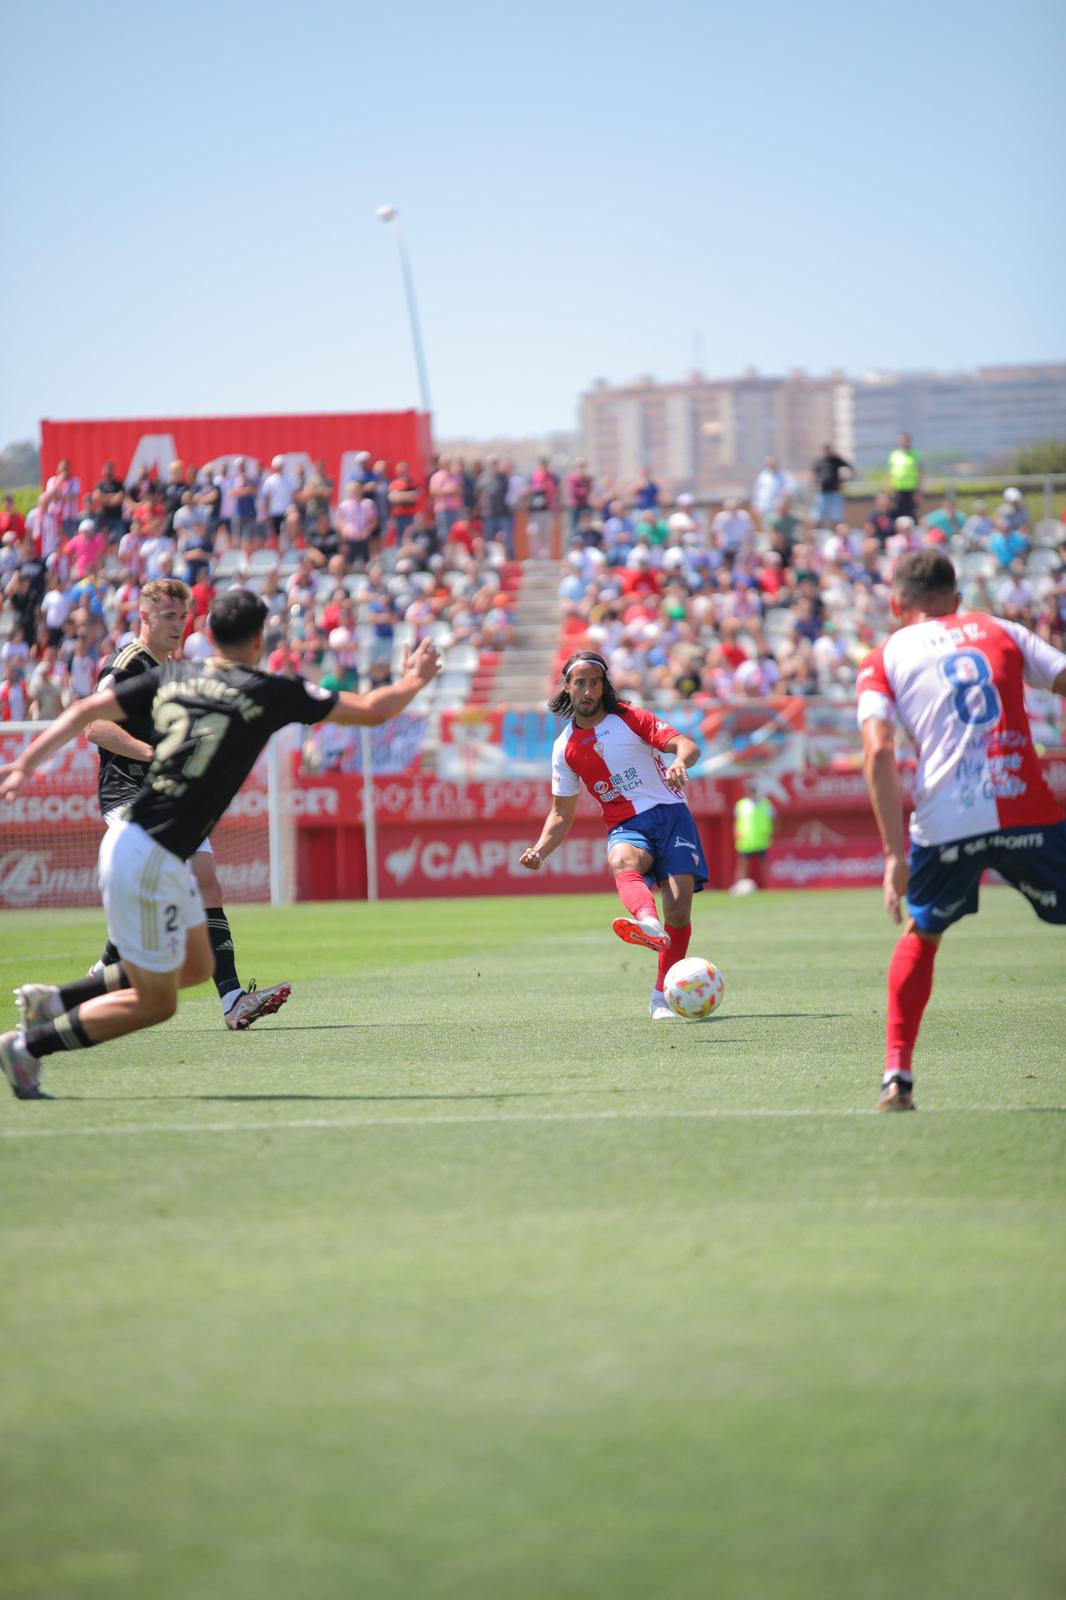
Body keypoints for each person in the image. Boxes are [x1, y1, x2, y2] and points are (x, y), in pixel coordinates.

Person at [0, 590, 440, 1099]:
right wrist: (415, 679)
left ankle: (54, 1001)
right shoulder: (270, 690)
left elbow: (86, 711)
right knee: (157, 1002)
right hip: (147, 853)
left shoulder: (174, 676)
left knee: (195, 965)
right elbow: (370, 710)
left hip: (145, 846)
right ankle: (29, 1047)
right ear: (259, 639)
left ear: (206, 633)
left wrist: (28, 765)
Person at [857, 549, 1066, 1112]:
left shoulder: (883, 657)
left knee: (922, 934)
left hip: (945, 820)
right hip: (1027, 806)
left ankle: (896, 1078)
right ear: (956, 597)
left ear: (897, 603)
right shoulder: (1003, 629)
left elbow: (878, 750)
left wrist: (892, 855)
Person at [85, 577, 289, 1031]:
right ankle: (95, 986)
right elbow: (95, 726)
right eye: (168, 616)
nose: (178, 625)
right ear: (145, 617)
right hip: (128, 796)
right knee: (182, 890)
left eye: (183, 617)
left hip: (166, 797)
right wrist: (153, 754)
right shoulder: (127, 665)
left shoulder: (172, 665)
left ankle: (232, 998)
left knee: (204, 884)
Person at [519, 651, 708, 1020]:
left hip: (671, 817)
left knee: (680, 909)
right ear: (567, 688)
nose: (588, 690)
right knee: (621, 860)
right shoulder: (564, 749)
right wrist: (540, 851)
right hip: (627, 826)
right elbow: (561, 812)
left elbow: (687, 744)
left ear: (604, 687)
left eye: (594, 682)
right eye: (580, 683)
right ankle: (647, 923)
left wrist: (680, 762)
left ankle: (660, 995)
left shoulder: (632, 719)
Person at [732, 787, 774, 891]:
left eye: (754, 791)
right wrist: (737, 834)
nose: (752, 793)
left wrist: (769, 832)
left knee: (763, 864)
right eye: (751, 791)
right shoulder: (741, 805)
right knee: (743, 864)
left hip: (761, 839)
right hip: (746, 840)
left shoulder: (766, 804)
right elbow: (736, 821)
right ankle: (739, 886)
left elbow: (775, 819)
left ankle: (769, 887)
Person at [810, 443, 853, 527]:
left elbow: (850, 469)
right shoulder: (819, 461)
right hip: (822, 492)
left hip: (835, 492)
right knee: (817, 517)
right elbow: (813, 474)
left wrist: (843, 481)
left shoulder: (836, 460)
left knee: (837, 517)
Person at [887, 433, 922, 520]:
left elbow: (920, 473)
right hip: (898, 489)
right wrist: (889, 490)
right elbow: (890, 474)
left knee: (912, 514)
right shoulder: (894, 455)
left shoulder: (915, 455)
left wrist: (918, 490)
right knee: (898, 513)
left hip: (911, 490)